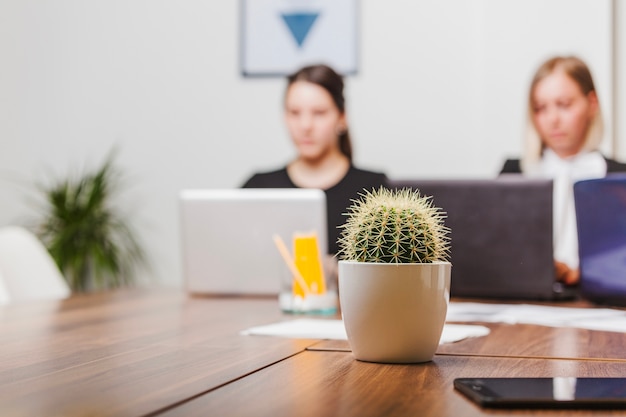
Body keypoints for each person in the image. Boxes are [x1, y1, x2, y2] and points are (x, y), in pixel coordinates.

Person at [500, 56, 626, 285]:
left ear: (592, 104)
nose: (553, 119)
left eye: (564, 105)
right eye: (540, 108)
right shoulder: (513, 173)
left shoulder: (619, 178)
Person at [242, 64, 388, 256]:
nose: (305, 125)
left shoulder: (373, 191)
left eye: (319, 113)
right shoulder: (258, 187)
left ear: (342, 118)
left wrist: (336, 271)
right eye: (294, 112)